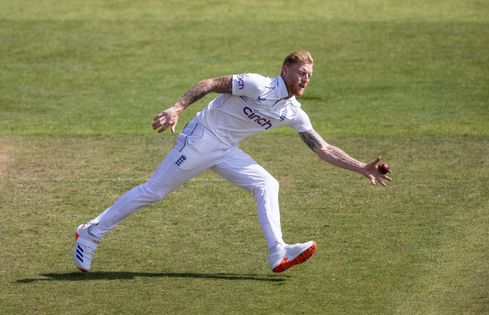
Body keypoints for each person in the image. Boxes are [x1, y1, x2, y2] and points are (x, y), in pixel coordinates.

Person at [73, 50, 392, 273]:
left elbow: (322, 148)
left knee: (267, 183)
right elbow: (209, 84)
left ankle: (277, 251)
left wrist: (361, 167)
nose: (306, 79)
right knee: (154, 191)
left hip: (226, 149)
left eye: (309, 76)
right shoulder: (258, 85)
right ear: (285, 70)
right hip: (201, 138)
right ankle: (91, 233)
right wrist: (177, 107)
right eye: (301, 73)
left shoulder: (292, 112)